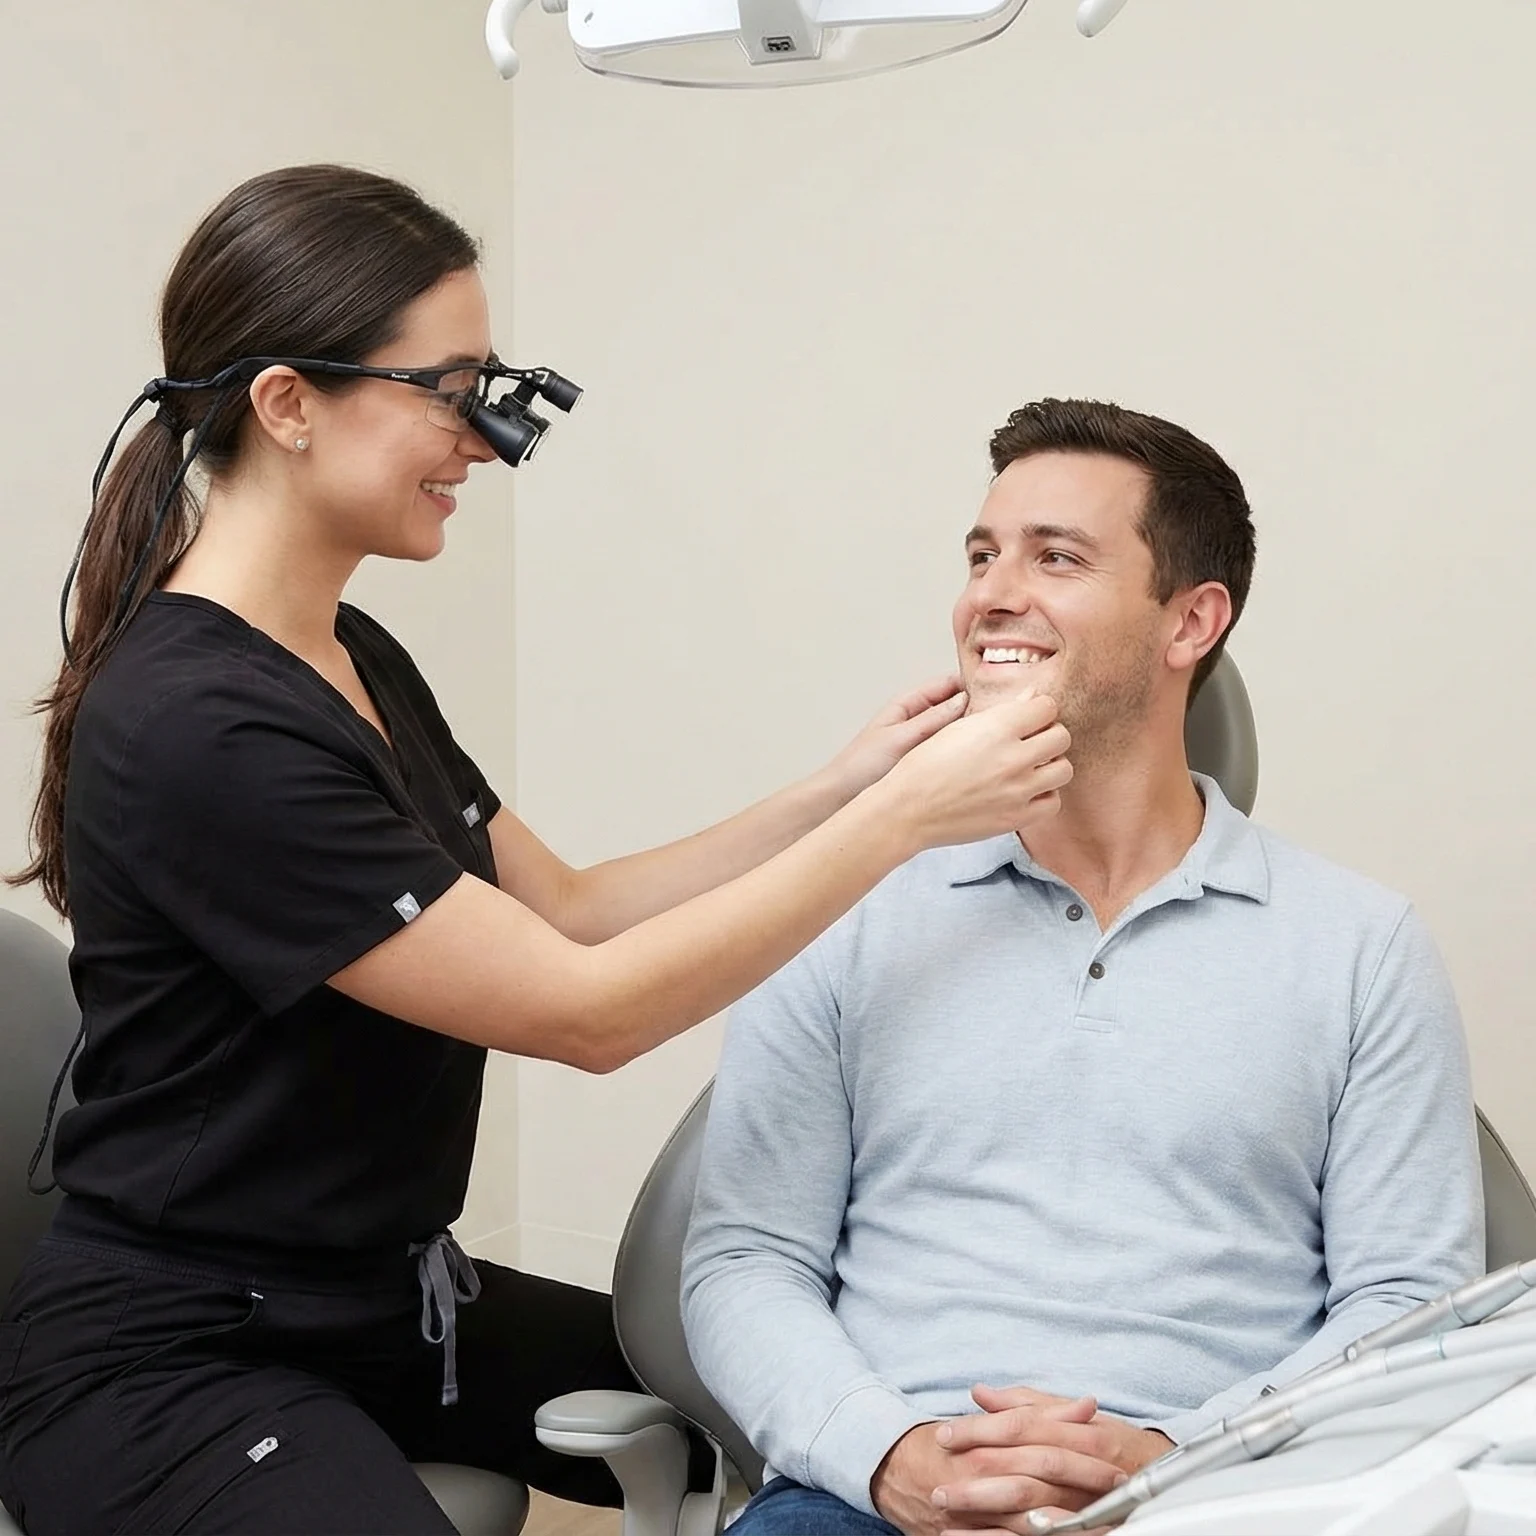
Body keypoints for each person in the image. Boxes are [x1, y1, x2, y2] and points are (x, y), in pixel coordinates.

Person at [0, 165, 1075, 1536]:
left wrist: (845, 785)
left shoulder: (348, 653)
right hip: (174, 1360)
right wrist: (904, 824)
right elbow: (584, 1013)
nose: (488, 442)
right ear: (288, 406)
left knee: (765, 1399)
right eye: (453, 395)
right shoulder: (198, 721)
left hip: (390, 1302)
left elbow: (565, 911)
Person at [681, 398, 1484, 1536]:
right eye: (982, 555)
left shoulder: (1361, 944)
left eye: (1056, 558)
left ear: (1191, 622)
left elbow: (1408, 1304)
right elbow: (746, 1261)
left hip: (1229, 1493)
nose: (992, 594)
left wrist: (1177, 1458)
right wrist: (895, 1457)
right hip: (877, 1496)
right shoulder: (839, 906)